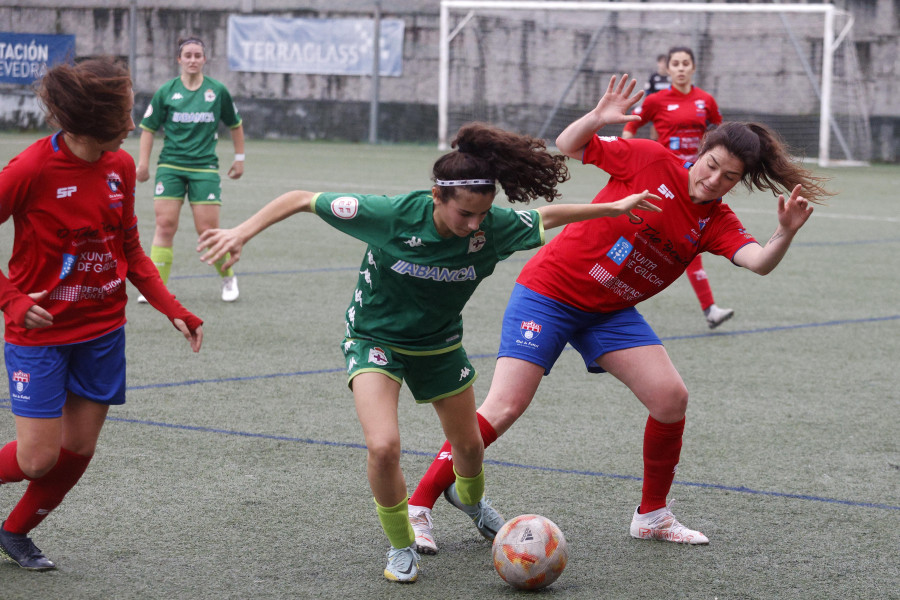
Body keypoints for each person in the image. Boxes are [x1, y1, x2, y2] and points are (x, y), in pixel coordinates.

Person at [196, 121, 660, 583]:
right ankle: (402, 546)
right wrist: (240, 233)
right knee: (383, 446)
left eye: (483, 214)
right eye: (465, 215)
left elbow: (546, 217)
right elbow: (299, 198)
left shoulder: (491, 228)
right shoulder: (390, 214)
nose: (475, 225)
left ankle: (470, 500)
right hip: (373, 341)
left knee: (470, 447)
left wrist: (613, 207)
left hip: (439, 345)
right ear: (437, 196)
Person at [407, 74, 832, 554]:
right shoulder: (650, 158)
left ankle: (652, 515)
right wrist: (597, 117)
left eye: (728, 177)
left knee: (670, 398)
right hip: (549, 292)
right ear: (700, 151)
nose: (713, 180)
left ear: (739, 181)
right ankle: (418, 506)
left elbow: (758, 262)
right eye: (710, 166)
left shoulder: (716, 221)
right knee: (505, 406)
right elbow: (569, 145)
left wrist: (786, 232)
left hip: (608, 311)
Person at [0, 57, 204, 571]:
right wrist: (13, 300)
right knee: (36, 458)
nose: (133, 125)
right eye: (124, 117)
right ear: (91, 122)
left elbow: (130, 247)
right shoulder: (29, 170)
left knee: (77, 450)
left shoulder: (121, 166)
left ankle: (15, 532)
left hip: (104, 333)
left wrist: (171, 307)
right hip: (39, 339)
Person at [624, 46, 734, 329]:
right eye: (676, 63)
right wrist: (630, 151)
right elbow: (631, 126)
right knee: (647, 239)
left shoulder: (705, 100)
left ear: (694, 67)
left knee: (686, 242)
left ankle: (710, 309)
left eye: (686, 63)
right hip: (665, 180)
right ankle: (709, 308)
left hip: (697, 183)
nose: (681, 68)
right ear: (668, 69)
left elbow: (720, 136)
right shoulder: (657, 100)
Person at [135, 36, 245, 303]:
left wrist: (239, 157)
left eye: (198, 55)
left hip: (204, 168)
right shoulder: (166, 91)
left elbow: (235, 124)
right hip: (170, 166)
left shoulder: (217, 91)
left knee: (207, 230)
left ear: (204, 59)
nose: (193, 60)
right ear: (179, 60)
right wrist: (143, 164)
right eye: (188, 55)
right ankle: (156, 289)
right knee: (165, 225)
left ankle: (228, 278)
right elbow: (148, 129)